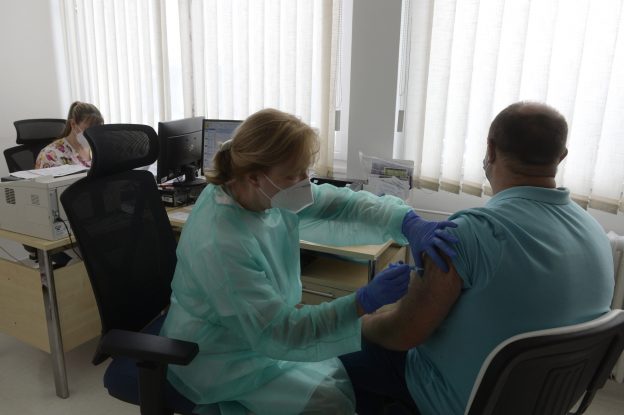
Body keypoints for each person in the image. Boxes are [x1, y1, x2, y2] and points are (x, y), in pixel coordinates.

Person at [160, 108, 458, 415]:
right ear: (254, 177)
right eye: (294, 174)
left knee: (334, 381)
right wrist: (362, 301)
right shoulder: (221, 244)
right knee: (327, 402)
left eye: (305, 170)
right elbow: (280, 332)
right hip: (218, 355)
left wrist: (405, 220)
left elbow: (338, 204)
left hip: (257, 330)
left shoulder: (257, 190)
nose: (305, 182)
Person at [339, 101, 615, 415]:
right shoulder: (594, 232)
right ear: (561, 156)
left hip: (456, 402)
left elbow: (404, 333)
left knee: (339, 347)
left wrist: (360, 323)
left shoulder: (470, 233)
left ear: (490, 149)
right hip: (541, 401)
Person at [35, 101, 104, 169]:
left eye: (97, 130)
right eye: (89, 129)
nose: (93, 134)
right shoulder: (50, 155)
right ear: (73, 124)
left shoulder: (98, 150)